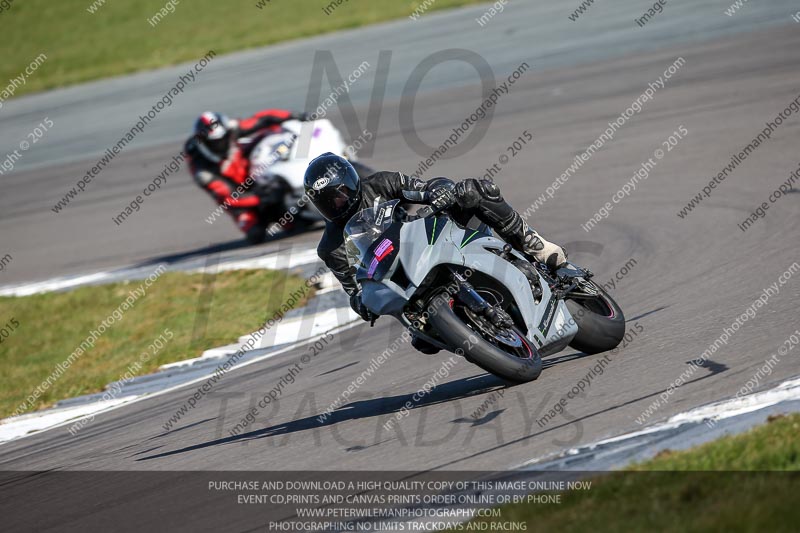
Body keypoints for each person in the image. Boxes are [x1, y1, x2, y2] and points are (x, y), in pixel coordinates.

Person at [303, 153, 567, 350]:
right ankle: (476, 333)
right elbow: (354, 290)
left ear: (351, 182)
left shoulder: (380, 183)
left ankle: (534, 244)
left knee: (474, 192)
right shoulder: (331, 248)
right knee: (423, 341)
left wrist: (438, 190)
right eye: (326, 202)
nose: (336, 205)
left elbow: (421, 188)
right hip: (403, 283)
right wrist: (362, 303)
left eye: (338, 195)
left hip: (427, 239)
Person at [184, 109, 307, 242]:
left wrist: (292, 116)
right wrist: (261, 196)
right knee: (255, 233)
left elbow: (262, 118)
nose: (220, 144)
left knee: (296, 221)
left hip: (251, 173)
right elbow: (229, 198)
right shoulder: (202, 170)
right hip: (240, 199)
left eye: (223, 138)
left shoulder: (232, 129)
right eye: (214, 142)